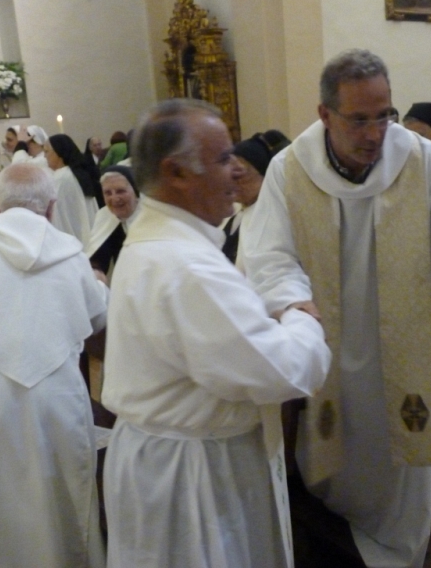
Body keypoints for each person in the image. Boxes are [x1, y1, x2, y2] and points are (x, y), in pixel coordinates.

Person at [242, 49, 431, 568]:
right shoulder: (288, 170)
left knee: (401, 479)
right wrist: (295, 306)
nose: (375, 132)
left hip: (401, 357)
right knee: (329, 480)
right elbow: (269, 257)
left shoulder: (419, 157)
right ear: (325, 114)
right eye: (359, 118)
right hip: (325, 351)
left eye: (384, 114)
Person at [101, 98, 332, 568]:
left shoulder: (153, 241)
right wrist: (301, 315)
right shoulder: (186, 265)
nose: (234, 171)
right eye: (222, 158)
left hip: (164, 459)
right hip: (195, 478)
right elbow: (279, 370)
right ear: (177, 172)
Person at [0, 162, 108, 568]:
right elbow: (97, 320)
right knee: (65, 496)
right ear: (51, 207)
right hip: (58, 393)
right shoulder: (69, 253)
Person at [222, 129, 290, 266]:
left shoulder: (273, 220)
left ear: (264, 177)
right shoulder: (232, 216)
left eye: (242, 173)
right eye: (231, 173)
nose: (234, 180)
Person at [44, 134, 101, 245]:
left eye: (46, 151)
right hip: (88, 238)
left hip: (71, 240)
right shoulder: (78, 173)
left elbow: (57, 215)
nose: (44, 156)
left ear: (59, 153)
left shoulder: (62, 178)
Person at [86, 165, 141, 274]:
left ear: (135, 191)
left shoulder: (150, 216)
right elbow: (98, 255)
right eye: (108, 193)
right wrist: (97, 271)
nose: (115, 198)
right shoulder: (104, 216)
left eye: (121, 191)